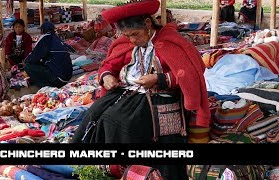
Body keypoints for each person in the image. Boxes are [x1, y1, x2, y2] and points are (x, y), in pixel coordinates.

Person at [71, 0, 211, 179]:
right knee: (95, 113)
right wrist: (106, 76)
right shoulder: (126, 44)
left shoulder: (172, 42)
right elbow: (108, 65)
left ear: (147, 24)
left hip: (162, 95)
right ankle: (106, 167)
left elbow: (191, 73)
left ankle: (139, 171)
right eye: (127, 36)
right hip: (129, 93)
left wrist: (159, 79)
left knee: (122, 121)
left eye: (135, 34)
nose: (132, 40)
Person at [24, 21, 73, 88]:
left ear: (43, 30)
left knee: (28, 66)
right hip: (67, 77)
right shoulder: (57, 38)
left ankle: (45, 86)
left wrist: (26, 60)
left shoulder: (46, 38)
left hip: (58, 78)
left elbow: (34, 57)